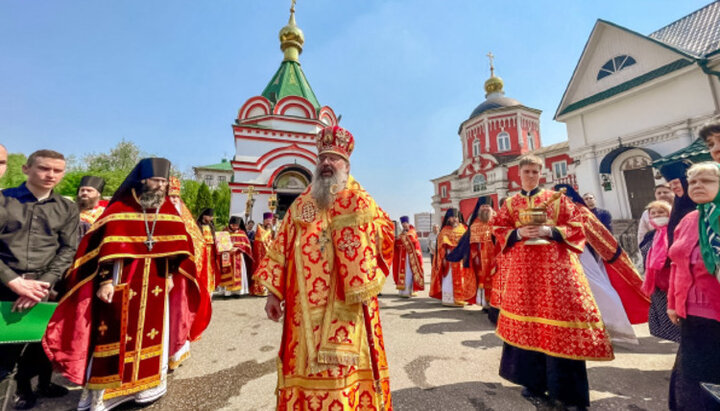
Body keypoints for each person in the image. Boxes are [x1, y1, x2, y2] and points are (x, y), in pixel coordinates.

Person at [42, 158, 211, 411]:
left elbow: (180, 249)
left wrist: (170, 276)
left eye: (164, 182)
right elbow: (101, 251)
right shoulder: (120, 209)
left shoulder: (167, 212)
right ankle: (107, 395)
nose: (161, 186)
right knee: (113, 336)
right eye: (156, 180)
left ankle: (147, 388)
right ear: (143, 180)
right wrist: (105, 281)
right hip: (122, 282)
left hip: (156, 283)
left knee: (154, 335)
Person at [253, 125, 394, 410]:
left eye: (334, 158)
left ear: (347, 164)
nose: (327, 162)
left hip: (348, 309)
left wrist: (357, 234)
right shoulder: (301, 205)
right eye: (323, 158)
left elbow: (387, 237)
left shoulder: (361, 200)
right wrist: (272, 294)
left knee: (345, 375)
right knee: (304, 371)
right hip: (301, 315)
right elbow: (279, 248)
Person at [493, 155, 612, 409]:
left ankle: (568, 395)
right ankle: (533, 383)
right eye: (527, 171)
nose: (531, 175)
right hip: (523, 275)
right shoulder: (510, 203)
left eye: (536, 171)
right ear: (518, 173)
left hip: (557, 273)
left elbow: (577, 226)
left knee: (561, 326)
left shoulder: (557, 199)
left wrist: (550, 231)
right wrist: (517, 233)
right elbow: (497, 228)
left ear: (541, 173)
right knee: (529, 328)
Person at [0, 149, 78, 409]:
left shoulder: (67, 208)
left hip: (43, 290)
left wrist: (44, 282)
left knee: (38, 347)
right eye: (44, 168)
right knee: (5, 355)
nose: (50, 175)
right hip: (4, 287)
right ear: (26, 169)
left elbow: (68, 249)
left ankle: (30, 390)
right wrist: (13, 281)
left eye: (57, 171)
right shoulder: (3, 201)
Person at [556, 184, 650, 344]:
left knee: (599, 290)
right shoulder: (555, 213)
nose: (564, 200)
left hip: (586, 256)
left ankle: (617, 329)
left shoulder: (582, 211)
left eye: (567, 196)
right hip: (564, 257)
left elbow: (597, 235)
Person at [666, 162, 720, 410]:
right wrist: (673, 304)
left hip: (716, 314)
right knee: (694, 383)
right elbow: (676, 264)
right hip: (691, 316)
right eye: (694, 181)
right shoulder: (689, 219)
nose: (697, 186)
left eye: (706, 181)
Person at [446, 197, 498, 310]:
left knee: (494, 280)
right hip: (478, 258)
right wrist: (457, 254)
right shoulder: (474, 222)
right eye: (483, 206)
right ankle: (484, 304)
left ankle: (494, 304)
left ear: (491, 208)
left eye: (487, 206)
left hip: (494, 257)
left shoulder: (497, 220)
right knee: (481, 281)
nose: (485, 208)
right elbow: (466, 240)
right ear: (479, 208)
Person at [640, 200, 680, 342]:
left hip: (674, 283)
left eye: (661, 212)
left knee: (678, 321)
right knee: (664, 322)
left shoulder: (675, 231)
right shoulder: (649, 235)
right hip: (656, 285)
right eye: (653, 213)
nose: (657, 215)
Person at [429, 208, 476, 306]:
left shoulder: (464, 229)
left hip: (462, 258)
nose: (454, 219)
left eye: (455, 217)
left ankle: (463, 298)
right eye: (452, 217)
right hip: (450, 258)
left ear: (459, 218)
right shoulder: (444, 231)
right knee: (448, 278)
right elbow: (441, 247)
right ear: (448, 219)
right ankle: (449, 300)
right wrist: (443, 258)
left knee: (463, 278)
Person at [216, 216, 253, 296]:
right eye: (232, 225)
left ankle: (237, 292)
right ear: (230, 224)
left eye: (236, 225)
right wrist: (224, 248)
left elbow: (246, 245)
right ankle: (226, 292)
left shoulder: (242, 233)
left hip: (238, 256)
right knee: (226, 273)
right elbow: (219, 243)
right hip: (226, 256)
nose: (234, 227)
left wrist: (238, 248)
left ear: (239, 225)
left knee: (238, 273)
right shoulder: (224, 232)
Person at [392, 216, 424, 297]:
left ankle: (411, 290)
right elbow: (398, 243)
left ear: (408, 223)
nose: (404, 225)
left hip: (411, 257)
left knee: (410, 273)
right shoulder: (401, 234)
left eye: (405, 223)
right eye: (403, 224)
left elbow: (411, 239)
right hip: (402, 257)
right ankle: (402, 291)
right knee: (403, 273)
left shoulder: (412, 231)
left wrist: (400, 238)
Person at [197, 208, 220, 296]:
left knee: (211, 270)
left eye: (212, 216)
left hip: (211, 253)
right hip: (202, 251)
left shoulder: (211, 226)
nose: (211, 218)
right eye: (210, 216)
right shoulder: (197, 225)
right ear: (204, 216)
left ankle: (210, 290)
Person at [250, 212, 274, 296]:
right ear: (263, 221)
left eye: (270, 221)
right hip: (260, 255)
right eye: (267, 220)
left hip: (269, 255)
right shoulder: (260, 229)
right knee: (260, 271)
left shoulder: (270, 230)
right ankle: (259, 289)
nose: (269, 222)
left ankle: (267, 289)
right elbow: (260, 242)